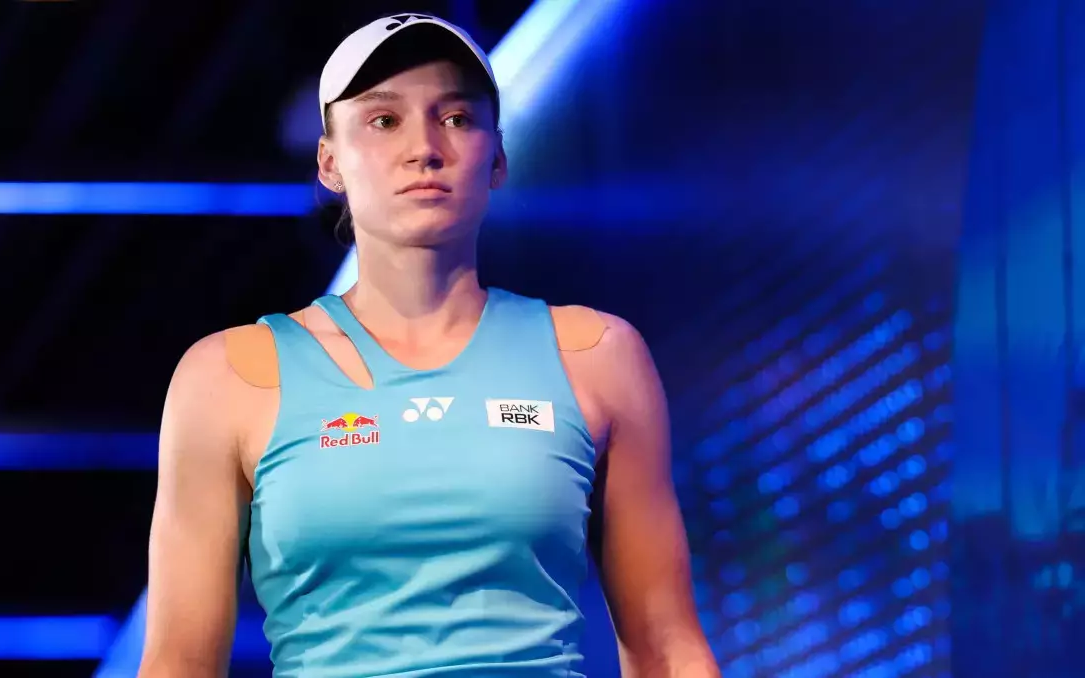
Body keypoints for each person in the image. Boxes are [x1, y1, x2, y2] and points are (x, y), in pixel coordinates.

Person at [138, 13, 719, 678]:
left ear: (497, 158)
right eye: (384, 120)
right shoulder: (227, 378)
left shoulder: (597, 356)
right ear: (329, 161)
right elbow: (178, 663)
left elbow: (667, 648)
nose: (424, 148)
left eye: (457, 118)